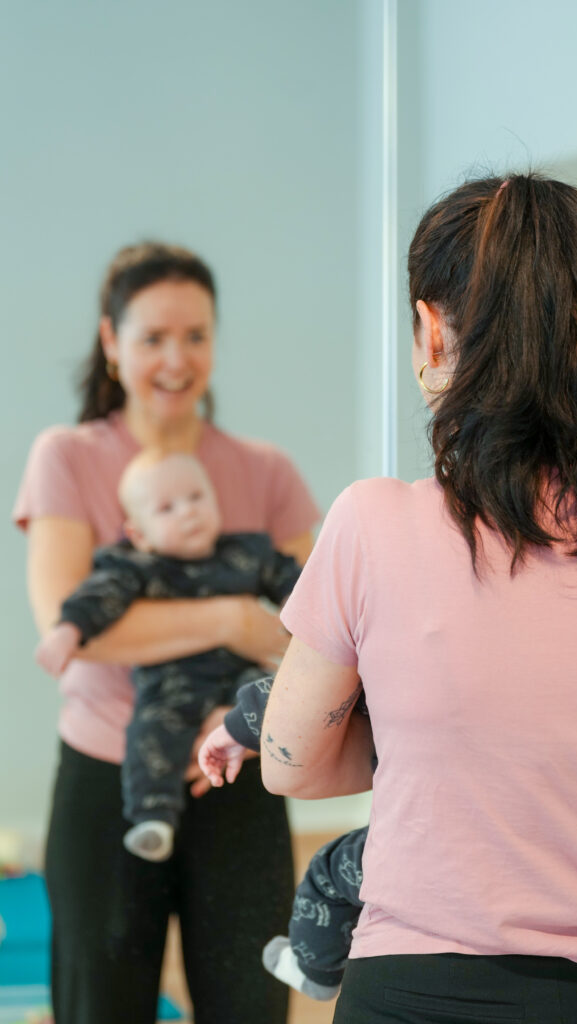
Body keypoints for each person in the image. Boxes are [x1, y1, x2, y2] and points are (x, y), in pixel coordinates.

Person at [258, 175, 577, 1023]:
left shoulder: (371, 523)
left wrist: (442, 746)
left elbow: (291, 761)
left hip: (420, 994)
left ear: (430, 332)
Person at [14, 242, 319, 1024]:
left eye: (195, 335)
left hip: (239, 775)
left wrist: (244, 711)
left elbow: (317, 635)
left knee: (250, 1007)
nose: (175, 359)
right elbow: (71, 625)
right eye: (152, 337)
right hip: (107, 777)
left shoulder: (266, 472)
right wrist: (233, 619)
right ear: (111, 343)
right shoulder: (69, 457)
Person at [36, 449, 302, 863]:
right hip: (171, 686)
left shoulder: (247, 553)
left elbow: (296, 582)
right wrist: (68, 629)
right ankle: (153, 818)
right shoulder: (137, 567)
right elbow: (98, 596)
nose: (188, 512)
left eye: (197, 497)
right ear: (138, 533)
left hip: (239, 674)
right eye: (166, 508)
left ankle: (240, 733)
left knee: (269, 695)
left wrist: (296, 606)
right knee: (150, 733)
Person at [199, 674, 371, 1000]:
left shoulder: (395, 641)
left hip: (424, 843)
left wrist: (235, 728)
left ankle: (316, 972)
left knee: (328, 872)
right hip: (493, 832)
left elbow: (313, 686)